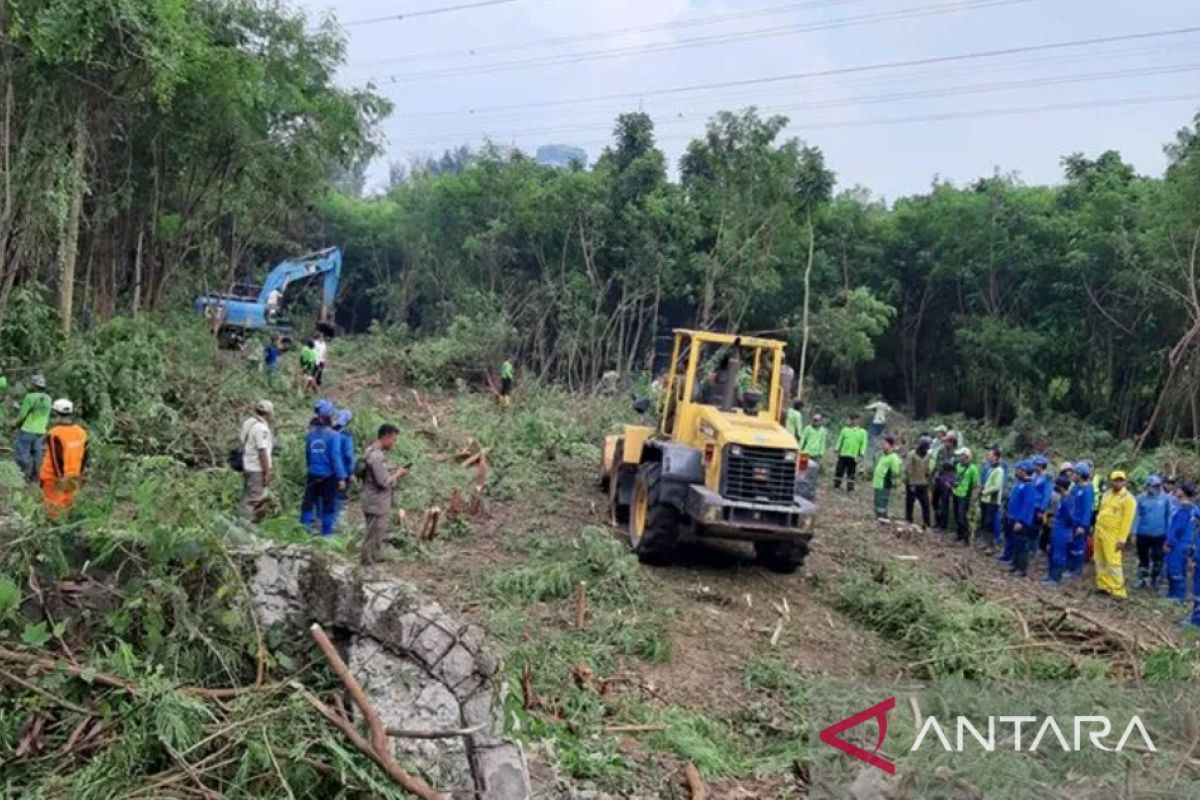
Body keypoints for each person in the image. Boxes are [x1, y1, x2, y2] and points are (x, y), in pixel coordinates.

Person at [361, 424, 408, 566]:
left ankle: (372, 559)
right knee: (373, 537)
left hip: (370, 500)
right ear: (386, 437)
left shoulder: (370, 451)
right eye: (393, 440)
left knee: (374, 534)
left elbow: (374, 474)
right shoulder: (377, 456)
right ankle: (367, 566)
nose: (394, 443)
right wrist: (398, 474)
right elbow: (384, 482)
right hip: (377, 503)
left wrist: (390, 470)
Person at [301, 400, 347, 537]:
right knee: (328, 505)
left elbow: (308, 454)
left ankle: (304, 531)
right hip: (328, 476)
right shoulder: (334, 435)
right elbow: (335, 457)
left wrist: (311, 467)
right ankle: (327, 534)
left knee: (308, 503)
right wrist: (341, 477)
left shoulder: (310, 434)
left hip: (312, 474)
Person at [39, 399, 88, 518]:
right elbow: (85, 456)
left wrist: (60, 478)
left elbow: (56, 458)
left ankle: (53, 529)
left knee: (54, 507)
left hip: (53, 477)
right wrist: (80, 474)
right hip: (74, 476)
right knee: (68, 505)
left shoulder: (54, 433)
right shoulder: (81, 432)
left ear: (55, 413)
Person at [1094, 470, 1137, 599]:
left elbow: (1127, 521)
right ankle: (1104, 585)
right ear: (1111, 481)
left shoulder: (1128, 499)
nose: (1118, 483)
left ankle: (1118, 591)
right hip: (1100, 531)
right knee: (1099, 560)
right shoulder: (1107, 494)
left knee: (1113, 562)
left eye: (1120, 480)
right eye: (1115, 480)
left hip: (1113, 535)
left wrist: (1122, 539)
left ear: (1124, 482)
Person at [1132, 475, 1171, 590]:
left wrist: (1168, 535)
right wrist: (1133, 532)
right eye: (1152, 486)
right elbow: (1136, 516)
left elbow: (1168, 517)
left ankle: (1155, 581)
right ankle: (1142, 579)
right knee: (1142, 558)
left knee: (1158, 558)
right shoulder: (1140, 499)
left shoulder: (1165, 499)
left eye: (1157, 486)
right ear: (1147, 486)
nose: (1155, 488)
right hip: (1143, 534)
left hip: (1159, 534)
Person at [239, 400, 274, 522]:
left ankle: (241, 520)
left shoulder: (248, 423)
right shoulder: (261, 428)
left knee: (247, 494)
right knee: (255, 498)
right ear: (268, 413)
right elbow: (262, 451)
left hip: (246, 463)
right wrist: (267, 471)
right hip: (256, 467)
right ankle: (247, 524)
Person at [13, 374, 51, 482]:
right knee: (37, 454)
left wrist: (14, 424)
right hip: (40, 431)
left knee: (22, 453)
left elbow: (22, 415)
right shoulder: (48, 399)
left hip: (27, 429)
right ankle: (35, 477)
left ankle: (21, 477)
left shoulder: (29, 397)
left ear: (34, 385)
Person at [1165, 482, 1198, 604]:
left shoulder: (1184, 509)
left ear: (1183, 492)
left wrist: (1169, 542)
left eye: (1179, 489)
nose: (1176, 490)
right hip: (1188, 543)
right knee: (1179, 569)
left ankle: (1177, 597)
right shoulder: (1194, 509)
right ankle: (1173, 594)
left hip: (1179, 544)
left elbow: (1177, 529)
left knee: (1175, 569)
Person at [1042, 476, 1076, 586]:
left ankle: (1055, 577)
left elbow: (1070, 518)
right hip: (1056, 529)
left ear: (1061, 487)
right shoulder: (1061, 498)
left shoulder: (1068, 500)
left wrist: (1069, 529)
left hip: (1063, 531)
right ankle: (1050, 574)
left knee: (1058, 554)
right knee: (1052, 553)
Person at [1006, 461, 1038, 577]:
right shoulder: (1020, 483)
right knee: (1015, 543)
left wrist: (1021, 521)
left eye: (1018, 470)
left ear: (1023, 471)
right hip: (1013, 518)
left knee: (1022, 544)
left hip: (1021, 521)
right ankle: (1015, 564)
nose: (1017, 472)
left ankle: (1022, 568)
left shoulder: (1029, 486)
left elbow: (1028, 506)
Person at [1065, 462, 1095, 579]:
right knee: (1070, 545)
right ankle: (1069, 567)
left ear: (1080, 474)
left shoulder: (1087, 490)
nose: (1072, 475)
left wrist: (1083, 526)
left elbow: (1087, 510)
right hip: (1072, 521)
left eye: (1074, 473)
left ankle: (1076, 570)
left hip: (1080, 523)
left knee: (1078, 547)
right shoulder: (1075, 488)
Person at [979, 448, 1006, 552]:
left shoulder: (999, 470)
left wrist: (984, 491)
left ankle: (991, 546)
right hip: (985, 499)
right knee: (984, 522)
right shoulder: (990, 468)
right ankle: (985, 543)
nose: (988, 457)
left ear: (996, 457)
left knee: (989, 523)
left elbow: (996, 487)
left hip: (992, 500)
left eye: (990, 455)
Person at [950, 448, 979, 544]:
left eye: (960, 455)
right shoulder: (958, 465)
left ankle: (966, 538)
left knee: (962, 516)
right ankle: (959, 535)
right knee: (956, 515)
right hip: (956, 492)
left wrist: (974, 497)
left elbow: (975, 484)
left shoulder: (972, 468)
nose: (959, 457)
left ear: (966, 456)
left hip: (965, 495)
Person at [833, 414, 867, 492]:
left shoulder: (862, 432)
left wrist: (861, 453)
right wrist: (837, 448)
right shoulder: (845, 430)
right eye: (852, 419)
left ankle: (850, 488)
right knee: (839, 470)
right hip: (843, 453)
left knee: (851, 472)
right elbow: (840, 440)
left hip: (853, 455)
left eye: (855, 419)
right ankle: (836, 485)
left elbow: (863, 443)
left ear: (858, 421)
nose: (853, 421)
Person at [932, 433, 959, 530]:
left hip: (948, 480)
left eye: (948, 441)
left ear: (952, 442)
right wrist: (933, 474)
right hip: (939, 478)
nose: (946, 443)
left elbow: (956, 470)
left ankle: (943, 525)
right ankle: (937, 520)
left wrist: (953, 483)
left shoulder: (956, 454)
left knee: (944, 502)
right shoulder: (941, 451)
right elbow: (937, 464)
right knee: (934, 501)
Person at [333, 409, 356, 524]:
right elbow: (348, 455)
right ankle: (336, 524)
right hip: (342, 472)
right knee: (339, 497)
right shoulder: (345, 436)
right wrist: (351, 472)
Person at [904, 436, 932, 528]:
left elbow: (927, 468)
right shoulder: (912, 454)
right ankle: (909, 521)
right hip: (912, 483)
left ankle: (927, 524)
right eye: (926, 447)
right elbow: (908, 469)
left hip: (923, 483)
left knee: (926, 505)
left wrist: (928, 477)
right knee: (910, 503)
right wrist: (910, 483)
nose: (927, 449)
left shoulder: (927, 455)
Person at [872, 435, 902, 519]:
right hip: (877, 483)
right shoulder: (883, 455)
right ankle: (878, 516)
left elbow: (895, 473)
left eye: (884, 444)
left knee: (882, 502)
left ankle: (882, 518)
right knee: (877, 502)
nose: (882, 445)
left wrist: (895, 485)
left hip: (884, 484)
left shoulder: (893, 457)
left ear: (890, 445)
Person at [1030, 455, 1052, 554]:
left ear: (1041, 466)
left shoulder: (1046, 478)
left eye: (1036, 465)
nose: (1034, 467)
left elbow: (1046, 495)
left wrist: (1042, 510)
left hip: (1038, 508)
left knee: (1035, 530)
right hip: (1031, 505)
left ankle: (1033, 550)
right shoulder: (1034, 475)